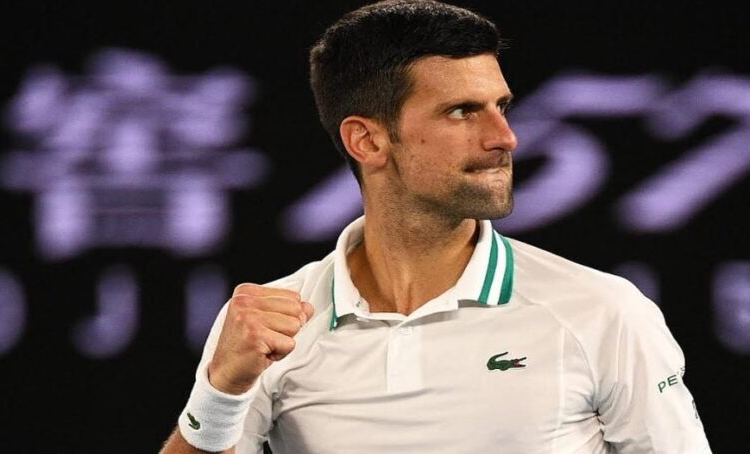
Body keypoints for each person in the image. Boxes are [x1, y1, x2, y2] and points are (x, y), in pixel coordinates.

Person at [162, 1, 711, 452]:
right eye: (461, 111)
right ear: (367, 141)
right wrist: (220, 392)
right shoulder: (271, 323)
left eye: (501, 106)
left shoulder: (604, 312)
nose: (505, 137)